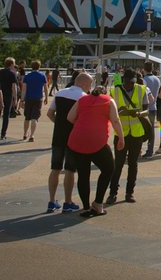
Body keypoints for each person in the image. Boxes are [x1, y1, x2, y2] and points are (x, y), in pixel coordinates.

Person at [66, 79, 125, 217]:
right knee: (108, 168)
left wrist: (82, 124)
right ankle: (98, 204)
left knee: (83, 174)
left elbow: (69, 117)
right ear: (104, 92)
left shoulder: (82, 99)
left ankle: (86, 207)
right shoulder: (109, 100)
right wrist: (121, 138)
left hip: (77, 139)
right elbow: (115, 120)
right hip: (97, 141)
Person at [107, 69, 151, 204]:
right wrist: (121, 112)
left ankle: (129, 192)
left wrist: (138, 113)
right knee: (118, 164)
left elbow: (147, 110)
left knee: (133, 164)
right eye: (127, 82)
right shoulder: (115, 91)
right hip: (121, 133)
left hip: (137, 133)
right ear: (123, 80)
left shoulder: (141, 89)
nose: (130, 85)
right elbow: (110, 112)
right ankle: (112, 193)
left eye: (132, 82)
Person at [46, 71, 87, 213]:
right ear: (82, 83)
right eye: (89, 84)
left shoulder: (60, 93)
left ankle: (52, 201)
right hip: (73, 137)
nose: (89, 87)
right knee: (70, 170)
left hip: (57, 135)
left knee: (55, 168)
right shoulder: (83, 97)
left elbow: (50, 113)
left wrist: (59, 123)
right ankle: (68, 202)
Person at [0, 57, 19, 142]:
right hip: (8, 96)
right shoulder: (12, 73)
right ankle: (3, 134)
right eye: (14, 63)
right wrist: (15, 98)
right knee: (6, 115)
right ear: (11, 64)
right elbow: (14, 87)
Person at [21, 60, 48, 142]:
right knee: (34, 118)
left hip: (29, 98)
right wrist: (46, 97)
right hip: (38, 98)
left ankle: (25, 134)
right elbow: (46, 88)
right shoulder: (42, 76)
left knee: (27, 117)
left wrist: (22, 100)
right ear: (39, 67)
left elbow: (24, 89)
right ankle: (32, 135)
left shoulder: (27, 76)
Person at [139, 61, 161, 158]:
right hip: (153, 106)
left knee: (141, 129)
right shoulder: (157, 79)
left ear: (143, 69)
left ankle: (139, 149)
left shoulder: (143, 80)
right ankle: (150, 150)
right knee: (151, 129)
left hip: (144, 108)